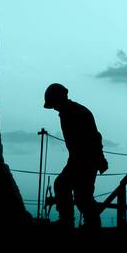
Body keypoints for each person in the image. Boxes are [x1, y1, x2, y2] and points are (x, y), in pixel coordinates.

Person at [43, 83, 108, 228]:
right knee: (75, 191)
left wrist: (100, 158)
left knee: (78, 193)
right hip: (79, 158)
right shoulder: (68, 113)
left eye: (54, 104)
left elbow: (94, 137)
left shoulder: (78, 112)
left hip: (85, 159)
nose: (54, 108)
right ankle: (80, 222)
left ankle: (82, 222)